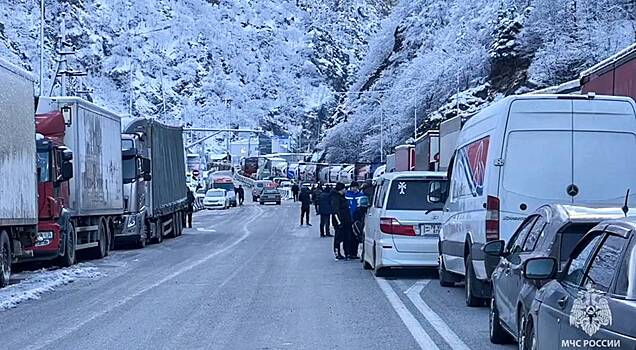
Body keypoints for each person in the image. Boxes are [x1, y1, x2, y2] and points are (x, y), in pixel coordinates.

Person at [332, 182, 353, 260]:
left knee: (347, 237)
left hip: (347, 221)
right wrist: (339, 222)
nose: (346, 190)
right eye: (344, 188)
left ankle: (347, 253)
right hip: (340, 222)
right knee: (338, 237)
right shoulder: (335, 197)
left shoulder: (343, 197)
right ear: (341, 189)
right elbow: (335, 211)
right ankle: (337, 253)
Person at [345, 182, 364, 259]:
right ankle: (348, 252)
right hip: (348, 218)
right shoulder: (347, 195)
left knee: (356, 236)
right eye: (353, 187)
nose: (354, 188)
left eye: (356, 187)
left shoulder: (360, 195)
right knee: (348, 236)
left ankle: (354, 253)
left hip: (357, 219)